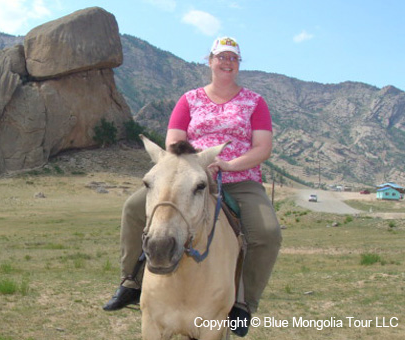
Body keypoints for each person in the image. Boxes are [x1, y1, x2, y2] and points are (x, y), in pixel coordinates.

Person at [102, 37, 282, 337]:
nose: (227, 62)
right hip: (189, 176)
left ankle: (243, 303)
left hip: (238, 180)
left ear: (238, 64)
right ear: (209, 61)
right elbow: (174, 141)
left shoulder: (255, 101)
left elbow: (262, 148)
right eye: (221, 57)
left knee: (267, 233)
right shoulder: (190, 99)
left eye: (233, 58)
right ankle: (131, 281)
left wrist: (227, 164)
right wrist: (193, 164)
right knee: (134, 208)